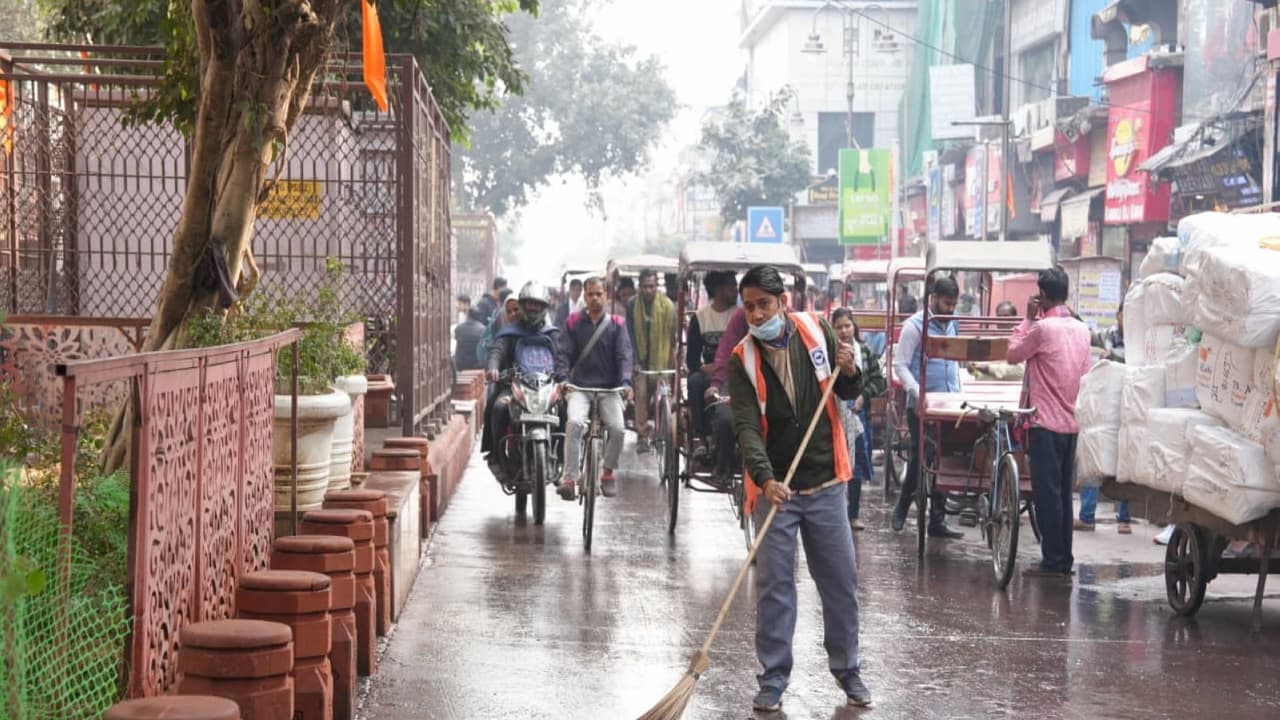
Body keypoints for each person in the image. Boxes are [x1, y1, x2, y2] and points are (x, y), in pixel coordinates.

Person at [727, 265, 870, 712]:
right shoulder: (741, 360)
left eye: (764, 305)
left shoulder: (816, 330)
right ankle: (773, 678)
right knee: (774, 588)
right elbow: (747, 428)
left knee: (840, 583)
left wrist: (849, 370)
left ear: (783, 302)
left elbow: (847, 389)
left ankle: (848, 671)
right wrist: (765, 478)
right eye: (749, 307)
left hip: (825, 480)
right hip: (776, 490)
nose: (756, 314)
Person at [1008, 268, 1093, 578]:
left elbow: (1012, 353)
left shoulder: (1042, 329)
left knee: (1047, 496)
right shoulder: (1082, 330)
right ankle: (1062, 558)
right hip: (1072, 423)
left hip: (1044, 423)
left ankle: (1053, 561)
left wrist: (1027, 319)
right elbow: (1086, 373)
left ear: (1042, 295)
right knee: (1063, 496)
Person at [890, 276, 964, 539]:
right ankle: (902, 507)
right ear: (933, 299)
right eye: (946, 304)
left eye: (953, 305)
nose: (950, 310)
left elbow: (954, 360)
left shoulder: (953, 323)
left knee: (945, 460)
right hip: (921, 405)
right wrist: (917, 392)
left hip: (951, 403)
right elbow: (900, 366)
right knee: (922, 456)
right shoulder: (914, 327)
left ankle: (937, 521)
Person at [556, 277, 634, 499]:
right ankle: (569, 478)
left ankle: (607, 472)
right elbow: (563, 353)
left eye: (599, 294)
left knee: (618, 429)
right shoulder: (573, 322)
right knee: (574, 423)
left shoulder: (617, 324)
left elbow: (624, 356)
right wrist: (563, 378)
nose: (595, 298)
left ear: (606, 295)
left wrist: (626, 382)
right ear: (585, 296)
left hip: (609, 390)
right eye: (590, 294)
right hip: (579, 388)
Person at [482, 283, 560, 481]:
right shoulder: (509, 333)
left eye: (537, 305)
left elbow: (563, 357)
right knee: (498, 408)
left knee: (565, 407)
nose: (533, 309)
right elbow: (497, 351)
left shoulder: (552, 334)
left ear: (544, 308)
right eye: (529, 304)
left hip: (546, 388)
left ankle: (561, 456)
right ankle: (496, 456)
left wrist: (567, 373)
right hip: (514, 387)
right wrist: (493, 368)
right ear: (522, 306)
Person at [831, 308, 887, 531]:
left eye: (847, 326)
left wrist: (863, 397)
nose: (844, 331)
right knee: (834, 464)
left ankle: (853, 515)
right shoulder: (828, 352)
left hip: (858, 416)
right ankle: (834, 515)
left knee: (855, 467)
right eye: (839, 327)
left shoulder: (865, 351)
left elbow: (879, 381)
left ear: (854, 326)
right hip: (833, 416)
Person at [1080, 299, 1131, 534]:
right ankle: (1086, 516)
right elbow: (1088, 335)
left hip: (1128, 407)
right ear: (1118, 315)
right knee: (1093, 458)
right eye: (1124, 314)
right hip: (1105, 408)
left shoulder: (1139, 341)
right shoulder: (1108, 336)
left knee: (1126, 461)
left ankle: (1124, 518)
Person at [687, 271, 738, 483]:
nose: (736, 290)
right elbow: (692, 361)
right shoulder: (700, 318)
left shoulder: (740, 316)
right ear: (717, 290)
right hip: (710, 374)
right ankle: (701, 436)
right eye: (731, 286)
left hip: (736, 373)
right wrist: (709, 368)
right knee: (695, 382)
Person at [628, 268, 676, 454]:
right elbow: (630, 335)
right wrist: (635, 361)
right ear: (639, 287)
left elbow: (672, 336)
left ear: (657, 286)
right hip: (640, 362)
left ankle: (664, 429)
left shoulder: (667, 306)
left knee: (665, 395)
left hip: (662, 361)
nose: (648, 290)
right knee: (640, 394)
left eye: (652, 286)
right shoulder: (632, 304)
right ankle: (642, 435)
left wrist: (672, 361)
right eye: (645, 286)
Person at [968, 301, 1026, 381]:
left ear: (1014, 318)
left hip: (1009, 387)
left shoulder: (1020, 340)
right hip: (985, 387)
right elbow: (978, 371)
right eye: (999, 316)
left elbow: (1020, 371)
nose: (1001, 320)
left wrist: (989, 369)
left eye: (1006, 316)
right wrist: (973, 368)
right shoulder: (989, 338)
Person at [453, 307, 487, 371]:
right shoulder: (483, 329)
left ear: (467, 315)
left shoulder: (458, 328)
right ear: (478, 316)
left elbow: (456, 338)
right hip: (477, 365)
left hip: (461, 364)